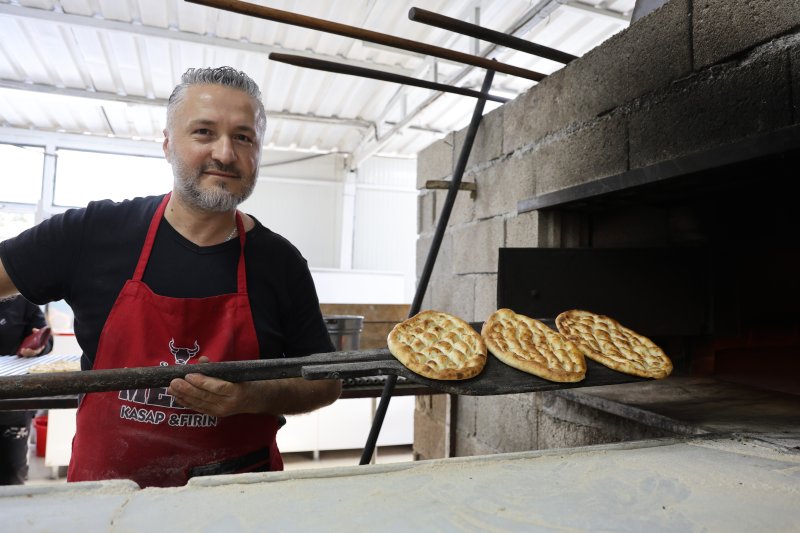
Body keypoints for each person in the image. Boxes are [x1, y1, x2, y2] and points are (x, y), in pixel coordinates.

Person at [0, 66, 341, 488]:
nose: (225, 154)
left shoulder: (280, 262)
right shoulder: (94, 232)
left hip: (235, 496)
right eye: (203, 132)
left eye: (243, 136)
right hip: (110, 495)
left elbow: (325, 381)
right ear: (167, 144)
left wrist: (253, 396)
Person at [0, 295, 54, 485]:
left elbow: (47, 339)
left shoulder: (22, 300)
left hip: (14, 403)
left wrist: (39, 347)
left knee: (12, 476)